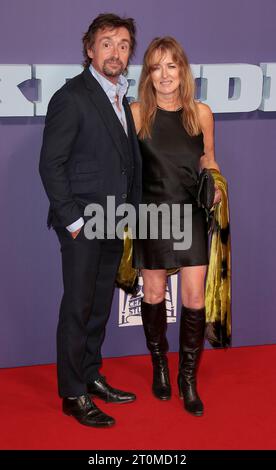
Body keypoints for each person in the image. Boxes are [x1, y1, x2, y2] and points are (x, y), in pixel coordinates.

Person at [39, 13, 142, 427]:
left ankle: (92, 374)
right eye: (106, 43)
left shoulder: (121, 97)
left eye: (122, 44)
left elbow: (126, 163)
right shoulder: (72, 96)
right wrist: (73, 221)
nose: (115, 51)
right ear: (89, 49)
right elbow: (51, 165)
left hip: (114, 221)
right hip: (84, 223)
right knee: (78, 308)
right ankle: (72, 392)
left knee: (99, 305)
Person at [131, 37, 221, 417]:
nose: (165, 75)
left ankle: (187, 378)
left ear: (183, 70)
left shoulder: (200, 113)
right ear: (148, 75)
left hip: (189, 214)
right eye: (156, 67)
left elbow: (210, 161)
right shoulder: (136, 114)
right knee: (152, 293)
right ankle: (159, 368)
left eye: (172, 66)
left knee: (195, 298)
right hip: (151, 213)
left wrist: (216, 184)